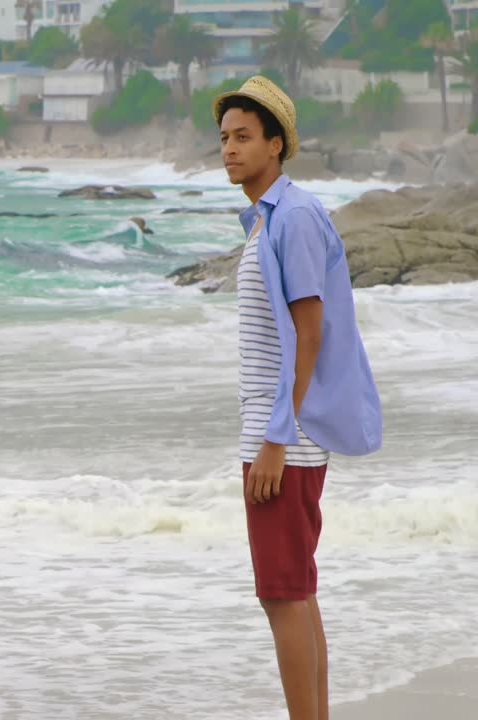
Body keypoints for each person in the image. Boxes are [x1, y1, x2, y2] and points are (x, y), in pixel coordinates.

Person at [213, 76, 382, 720]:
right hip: (275, 431)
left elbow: (309, 334)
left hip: (285, 437)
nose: (229, 149)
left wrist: (276, 440)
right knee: (293, 592)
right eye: (225, 138)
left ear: (276, 144)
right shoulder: (266, 221)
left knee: (283, 593)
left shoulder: (297, 217)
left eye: (244, 137)